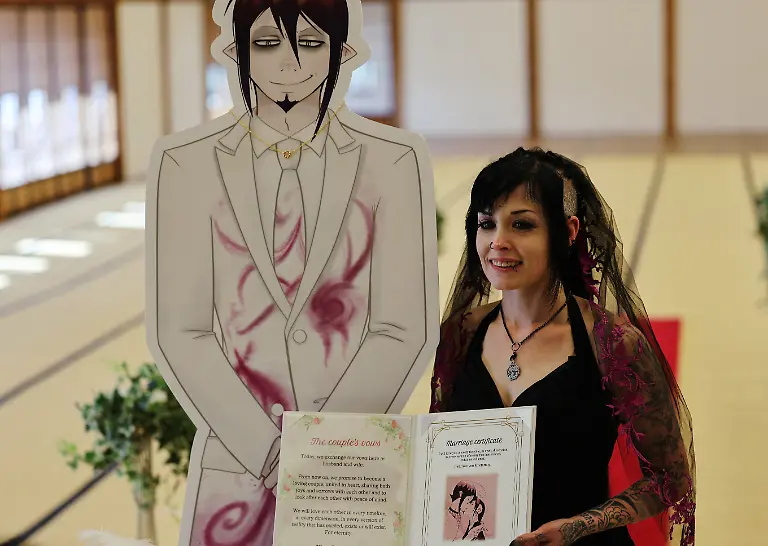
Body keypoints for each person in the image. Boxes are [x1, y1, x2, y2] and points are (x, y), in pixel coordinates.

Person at [143, 0, 438, 545]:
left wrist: (319, 451)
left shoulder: (395, 160)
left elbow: (402, 326)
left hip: (353, 470)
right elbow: (182, 331)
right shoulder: (184, 163)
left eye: (310, 43)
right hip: (236, 470)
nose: (288, 63)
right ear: (236, 50)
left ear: (340, 52)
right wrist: (269, 453)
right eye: (265, 43)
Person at [430, 148, 695, 546]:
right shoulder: (460, 334)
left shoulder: (612, 343)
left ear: (568, 232)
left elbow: (669, 479)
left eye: (521, 225)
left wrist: (575, 527)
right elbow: (438, 457)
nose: (498, 242)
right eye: (487, 224)